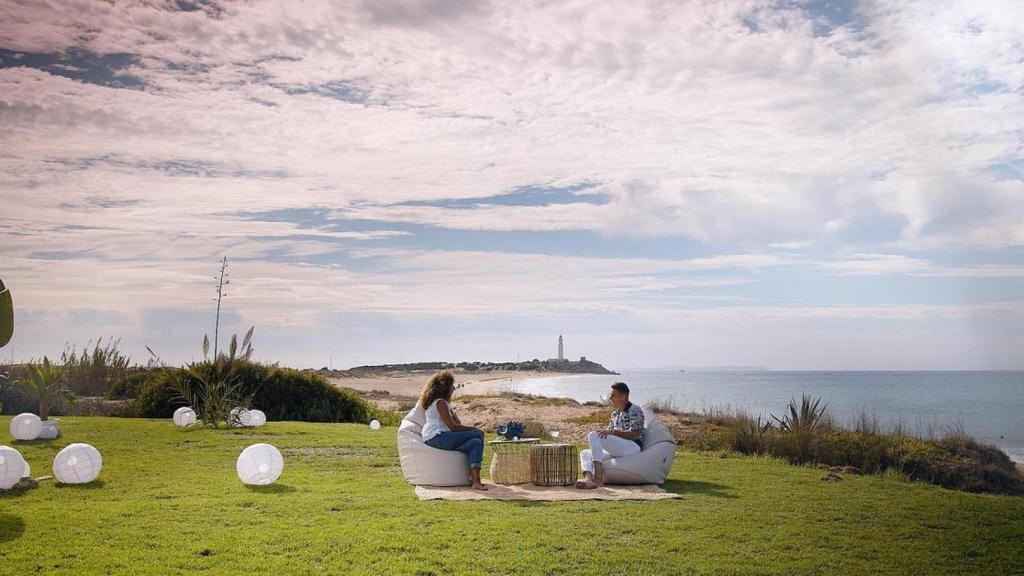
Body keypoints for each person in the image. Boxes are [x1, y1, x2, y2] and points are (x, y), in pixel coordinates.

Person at [419, 371, 488, 490]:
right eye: (452, 387)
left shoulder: (445, 404)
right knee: (478, 433)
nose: (453, 390)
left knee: (476, 442)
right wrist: (474, 428)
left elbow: (457, 425)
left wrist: (456, 418)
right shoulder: (440, 403)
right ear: (445, 388)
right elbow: (453, 427)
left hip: (446, 437)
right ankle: (474, 477)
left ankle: (475, 479)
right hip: (437, 437)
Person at [576, 382, 645, 489]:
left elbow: (634, 434)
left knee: (594, 435)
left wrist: (612, 432)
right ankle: (588, 480)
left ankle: (598, 478)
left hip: (633, 446)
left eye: (613, 395)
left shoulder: (635, 410)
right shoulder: (615, 414)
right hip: (617, 448)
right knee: (585, 453)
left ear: (623, 396)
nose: (610, 398)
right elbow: (608, 435)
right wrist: (608, 432)